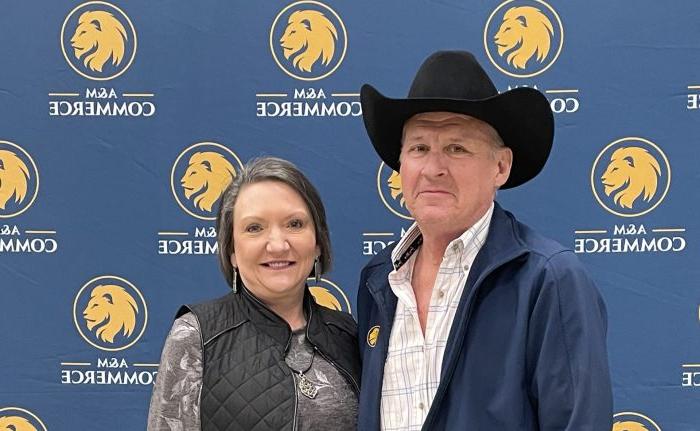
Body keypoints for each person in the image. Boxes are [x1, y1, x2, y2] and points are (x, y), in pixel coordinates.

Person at [356, 51, 612, 430]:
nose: (433, 168)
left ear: (500, 166)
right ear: (401, 165)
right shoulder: (378, 281)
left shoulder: (548, 279)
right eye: (419, 148)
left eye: (456, 148)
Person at [147, 157, 360, 430]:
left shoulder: (348, 335)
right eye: (254, 228)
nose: (277, 244)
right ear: (232, 251)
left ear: (318, 243)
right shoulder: (195, 335)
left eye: (294, 224)